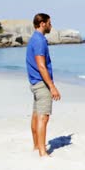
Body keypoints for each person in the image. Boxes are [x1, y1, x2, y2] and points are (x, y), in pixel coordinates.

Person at [26, 13, 61, 157]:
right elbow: (41, 66)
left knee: (36, 115)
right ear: (42, 24)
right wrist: (52, 86)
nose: (51, 25)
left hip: (35, 82)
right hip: (41, 84)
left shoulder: (35, 39)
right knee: (43, 117)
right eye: (49, 23)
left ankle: (36, 146)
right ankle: (42, 151)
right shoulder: (39, 40)